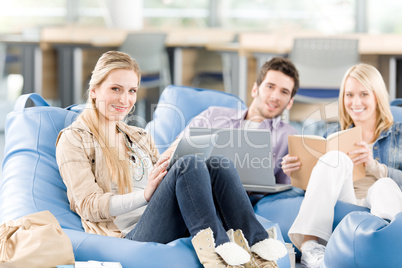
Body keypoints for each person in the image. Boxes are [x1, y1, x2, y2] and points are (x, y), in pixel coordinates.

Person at [56, 51, 287, 268]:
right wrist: (144, 195)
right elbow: (88, 206)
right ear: (94, 90)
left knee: (219, 164)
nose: (125, 100)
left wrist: (170, 161)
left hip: (162, 215)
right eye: (115, 89)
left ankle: (257, 241)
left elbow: (165, 184)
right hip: (129, 235)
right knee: (189, 165)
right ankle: (216, 247)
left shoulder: (139, 136)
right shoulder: (74, 139)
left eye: (132, 91)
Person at [281, 63, 402, 268]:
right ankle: (311, 246)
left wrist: (375, 167)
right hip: (347, 201)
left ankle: (388, 244)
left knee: (384, 184)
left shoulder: (398, 134)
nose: (355, 102)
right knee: (335, 158)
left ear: (377, 96)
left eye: (364, 94)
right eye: (349, 95)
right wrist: (295, 172)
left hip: (381, 203)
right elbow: (318, 191)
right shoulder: (333, 135)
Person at [165, 57, 300, 186]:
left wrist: (294, 176)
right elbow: (174, 150)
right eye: (270, 87)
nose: (275, 96)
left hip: (241, 197)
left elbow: (292, 189)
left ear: (290, 102)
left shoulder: (289, 136)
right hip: (196, 185)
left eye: (284, 92)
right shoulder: (213, 115)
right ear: (255, 89)